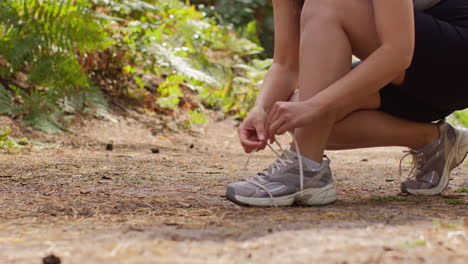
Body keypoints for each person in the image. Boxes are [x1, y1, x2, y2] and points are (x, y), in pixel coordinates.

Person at [225, 0, 468, 207]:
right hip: (413, 73)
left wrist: (317, 107)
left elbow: (397, 53)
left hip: (455, 61)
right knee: (299, 111)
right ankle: (433, 140)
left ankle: (304, 168)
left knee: (328, 5)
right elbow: (286, 64)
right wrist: (261, 109)